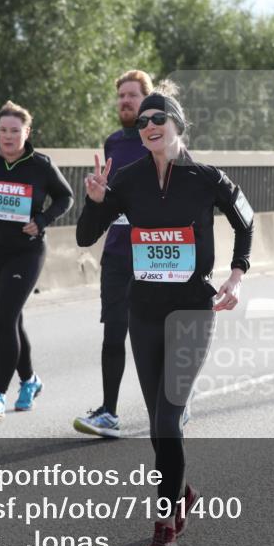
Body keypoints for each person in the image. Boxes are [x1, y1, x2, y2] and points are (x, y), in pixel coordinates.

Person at [76, 83, 254, 546]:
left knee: (170, 418)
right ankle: (182, 492)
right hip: (145, 311)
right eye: (143, 122)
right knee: (159, 425)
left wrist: (236, 276)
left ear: (178, 125)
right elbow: (86, 237)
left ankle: (165, 526)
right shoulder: (128, 179)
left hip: (192, 310)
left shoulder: (206, 178)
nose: (149, 126)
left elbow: (245, 221)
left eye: (159, 119)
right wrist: (95, 200)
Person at [0, 101, 74, 418]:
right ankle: (30, 380)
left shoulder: (41, 165)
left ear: (27, 132)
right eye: (3, 130)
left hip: (27, 250)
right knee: (10, 319)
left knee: (5, 319)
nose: (8, 136)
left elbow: (66, 197)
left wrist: (43, 220)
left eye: (14, 131)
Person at [73, 70, 154, 439]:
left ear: (147, 100)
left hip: (156, 254)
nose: (125, 101)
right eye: (121, 95)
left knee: (153, 336)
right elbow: (110, 201)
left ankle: (173, 403)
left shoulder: (160, 140)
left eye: (132, 95)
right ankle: (109, 412)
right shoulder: (113, 143)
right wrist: (98, 196)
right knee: (114, 334)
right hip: (118, 254)